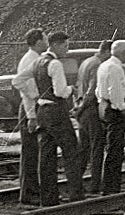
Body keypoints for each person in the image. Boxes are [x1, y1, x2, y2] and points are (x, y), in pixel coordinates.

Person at [27, 32, 83, 205]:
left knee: (46, 156)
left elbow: (28, 85)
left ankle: (48, 198)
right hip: (56, 111)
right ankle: (76, 195)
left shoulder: (36, 62)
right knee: (71, 151)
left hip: (42, 111)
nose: (67, 49)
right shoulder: (55, 64)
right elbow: (59, 91)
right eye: (65, 45)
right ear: (56, 44)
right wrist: (71, 90)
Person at [12, 28, 47, 206]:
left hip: (33, 108)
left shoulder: (36, 58)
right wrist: (32, 115)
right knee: (31, 152)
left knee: (35, 151)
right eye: (45, 38)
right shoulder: (30, 60)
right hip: (29, 109)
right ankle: (29, 193)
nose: (47, 40)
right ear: (38, 41)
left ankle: (33, 190)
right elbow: (25, 89)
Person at [96, 39, 125, 195]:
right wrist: (121, 108)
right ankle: (111, 186)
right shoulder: (116, 68)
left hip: (105, 107)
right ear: (123, 52)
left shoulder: (103, 65)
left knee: (111, 148)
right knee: (115, 149)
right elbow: (115, 91)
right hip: (115, 110)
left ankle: (109, 185)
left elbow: (99, 90)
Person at [76, 39, 111, 192]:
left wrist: (78, 107)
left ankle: (76, 182)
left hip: (82, 111)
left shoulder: (86, 62)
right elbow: (92, 91)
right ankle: (96, 184)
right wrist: (82, 108)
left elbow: (80, 86)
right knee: (97, 148)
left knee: (83, 149)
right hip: (91, 110)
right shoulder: (98, 65)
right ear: (107, 52)